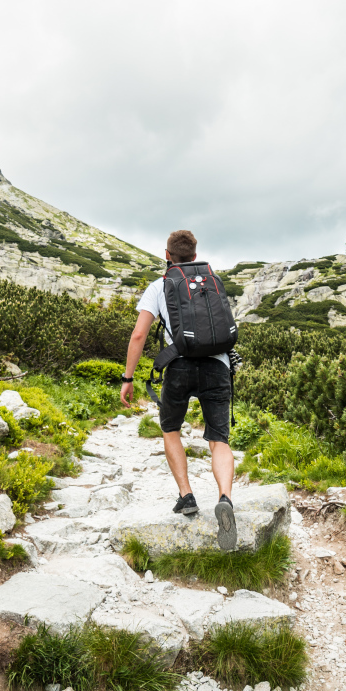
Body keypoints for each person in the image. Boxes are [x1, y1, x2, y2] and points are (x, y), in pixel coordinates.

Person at [119, 229, 237, 551]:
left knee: (170, 428)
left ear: (167, 255)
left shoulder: (160, 286)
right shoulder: (211, 282)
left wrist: (128, 378)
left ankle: (186, 496)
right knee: (218, 439)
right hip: (217, 366)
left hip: (180, 367)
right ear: (195, 257)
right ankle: (225, 497)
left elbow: (139, 336)